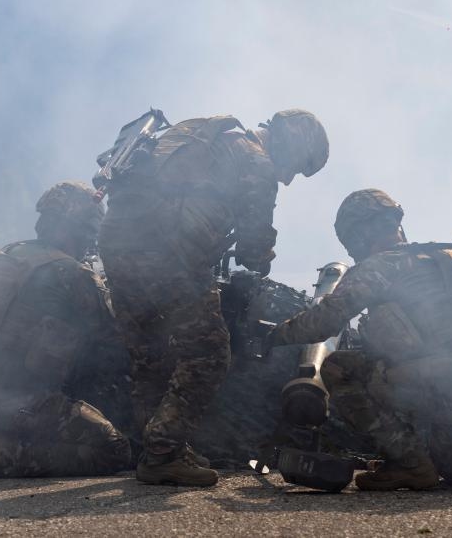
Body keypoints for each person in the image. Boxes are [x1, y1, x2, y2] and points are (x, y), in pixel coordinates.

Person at [98, 109, 329, 486]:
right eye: (297, 166)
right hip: (172, 257)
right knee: (209, 354)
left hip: (118, 246)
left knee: (149, 355)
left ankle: (158, 449)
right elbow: (255, 248)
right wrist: (261, 257)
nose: (288, 178)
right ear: (291, 143)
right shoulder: (256, 161)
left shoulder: (212, 138)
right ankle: (162, 453)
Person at [264, 189, 452, 491]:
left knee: (339, 369)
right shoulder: (448, 256)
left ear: (358, 235)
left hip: (446, 387)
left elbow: (325, 321)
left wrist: (276, 334)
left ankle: (410, 465)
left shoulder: (381, 267)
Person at [0, 181, 131, 478]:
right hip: (11, 400)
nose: (90, 243)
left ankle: (11, 440)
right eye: (89, 233)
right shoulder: (71, 272)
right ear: (76, 229)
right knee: (114, 447)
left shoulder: (11, 254)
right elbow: (118, 333)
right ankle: (1, 455)